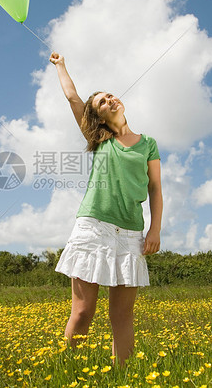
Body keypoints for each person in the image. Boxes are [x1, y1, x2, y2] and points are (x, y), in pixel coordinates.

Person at [49, 52, 163, 366]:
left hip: (130, 233)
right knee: (84, 311)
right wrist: (61, 65)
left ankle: (121, 379)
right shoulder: (100, 139)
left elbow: (155, 188)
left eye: (109, 95)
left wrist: (154, 228)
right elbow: (72, 97)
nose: (109, 99)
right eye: (101, 101)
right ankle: (69, 374)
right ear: (97, 118)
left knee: (122, 317)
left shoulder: (148, 143)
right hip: (93, 227)